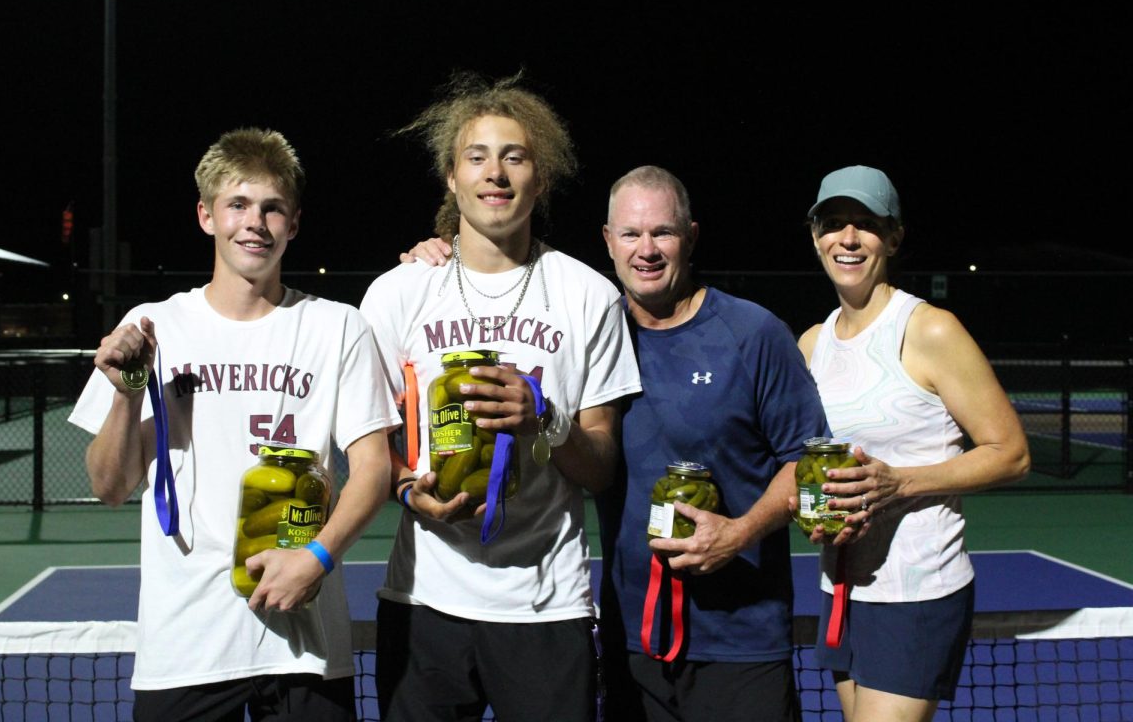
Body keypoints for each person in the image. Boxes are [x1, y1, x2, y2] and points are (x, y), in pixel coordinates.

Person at [403, 164, 829, 722]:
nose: (646, 250)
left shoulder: (754, 333)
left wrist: (740, 532)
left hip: (740, 640)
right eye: (630, 234)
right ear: (608, 240)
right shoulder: (591, 329)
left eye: (663, 233)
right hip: (629, 640)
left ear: (691, 236)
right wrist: (437, 259)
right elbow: (498, 285)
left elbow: (808, 460)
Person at [68, 128, 397, 721]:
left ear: (293, 223)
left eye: (273, 208)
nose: (255, 223)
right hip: (187, 644)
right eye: (238, 204)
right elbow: (109, 487)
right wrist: (126, 395)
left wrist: (316, 558)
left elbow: (373, 469)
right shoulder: (151, 327)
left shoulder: (338, 327)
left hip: (304, 640)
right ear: (206, 215)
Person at [359, 72, 642, 722]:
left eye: (515, 157)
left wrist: (542, 418)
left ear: (539, 181)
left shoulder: (588, 297)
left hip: (546, 607)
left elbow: (601, 467)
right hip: (423, 601)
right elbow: (371, 448)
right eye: (477, 157)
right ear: (451, 179)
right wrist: (408, 487)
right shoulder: (398, 294)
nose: (497, 173)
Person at [797, 164, 1030, 722]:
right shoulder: (811, 343)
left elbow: (1012, 453)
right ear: (815, 236)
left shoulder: (929, 329)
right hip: (842, 587)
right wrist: (811, 509)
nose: (847, 239)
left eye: (865, 224)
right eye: (833, 223)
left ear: (894, 237)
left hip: (918, 591)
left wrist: (900, 482)